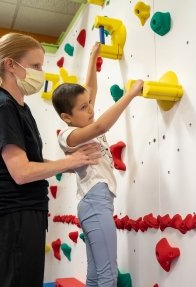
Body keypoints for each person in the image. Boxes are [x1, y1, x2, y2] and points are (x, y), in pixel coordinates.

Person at [0, 33, 101, 287]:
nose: (41, 73)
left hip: (26, 214)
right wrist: (70, 162)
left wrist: (71, 164)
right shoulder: (3, 108)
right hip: (12, 217)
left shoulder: (20, 107)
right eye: (35, 66)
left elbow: (31, 160)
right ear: (11, 65)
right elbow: (20, 172)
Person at [51, 42, 143, 287]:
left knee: (95, 273)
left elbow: (89, 88)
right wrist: (131, 93)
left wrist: (92, 58)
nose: (91, 109)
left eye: (90, 103)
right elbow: (102, 126)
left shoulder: (82, 120)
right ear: (67, 117)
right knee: (107, 275)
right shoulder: (69, 135)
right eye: (84, 107)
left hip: (96, 202)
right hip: (94, 202)